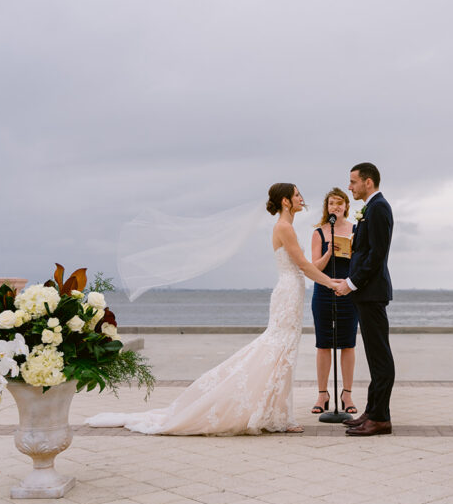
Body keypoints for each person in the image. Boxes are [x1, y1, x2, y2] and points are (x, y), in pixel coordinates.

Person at [86, 183, 336, 435]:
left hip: (290, 291)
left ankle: (277, 413)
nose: (301, 198)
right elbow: (303, 265)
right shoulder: (284, 227)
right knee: (279, 351)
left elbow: (304, 266)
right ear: (285, 201)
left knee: (283, 353)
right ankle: (273, 414)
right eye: (296, 195)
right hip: (288, 292)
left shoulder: (286, 227)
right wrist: (331, 283)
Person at [332, 162, 395, 436]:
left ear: (368, 182)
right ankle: (372, 411)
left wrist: (352, 283)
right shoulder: (370, 208)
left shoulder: (379, 208)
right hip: (366, 294)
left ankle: (380, 418)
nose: (349, 187)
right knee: (374, 355)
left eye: (353, 182)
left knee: (380, 357)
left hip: (371, 293)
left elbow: (377, 255)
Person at [309, 188, 359, 415]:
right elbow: (314, 268)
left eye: (340, 203)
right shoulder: (319, 232)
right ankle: (322, 394)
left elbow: (361, 264)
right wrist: (329, 252)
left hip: (348, 292)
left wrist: (348, 284)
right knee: (323, 343)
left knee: (348, 343)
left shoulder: (356, 230)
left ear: (346, 206)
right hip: (323, 292)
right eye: (331, 204)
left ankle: (346, 393)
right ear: (326, 208)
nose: (335, 207)